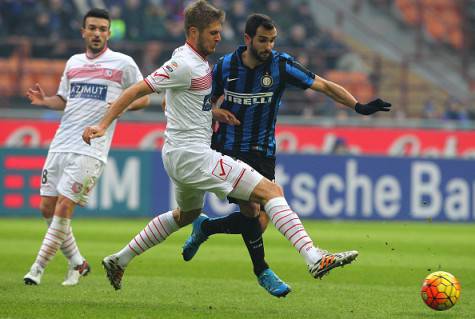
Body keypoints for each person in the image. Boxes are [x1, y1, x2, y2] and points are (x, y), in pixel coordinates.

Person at [82, 0, 359, 294]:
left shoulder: (195, 61)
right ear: (193, 31)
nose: (218, 37)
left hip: (178, 154)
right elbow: (137, 89)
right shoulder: (183, 64)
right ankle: (313, 257)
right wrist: (102, 124)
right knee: (271, 192)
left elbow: (174, 101)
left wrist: (212, 112)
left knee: (186, 215)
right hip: (194, 155)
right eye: (213, 32)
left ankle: (119, 259)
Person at [181, 13, 391, 297]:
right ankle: (264, 271)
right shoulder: (226, 66)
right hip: (229, 149)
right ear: (247, 40)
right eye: (263, 40)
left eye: (272, 40)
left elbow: (325, 85)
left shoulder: (281, 65)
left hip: (263, 151)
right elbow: (202, 102)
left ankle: (206, 228)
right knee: (253, 210)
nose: (268, 46)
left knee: (260, 221)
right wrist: (216, 112)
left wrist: (358, 107)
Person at [23, 8, 150, 286]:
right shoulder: (73, 62)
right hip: (60, 143)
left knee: (65, 206)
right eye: (92, 28)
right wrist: (45, 101)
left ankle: (37, 269)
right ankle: (78, 263)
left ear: (108, 33)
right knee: (47, 207)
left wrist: (118, 107)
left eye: (103, 29)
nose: (97, 33)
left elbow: (143, 97)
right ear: (83, 31)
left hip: (92, 147)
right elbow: (64, 99)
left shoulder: (123, 63)